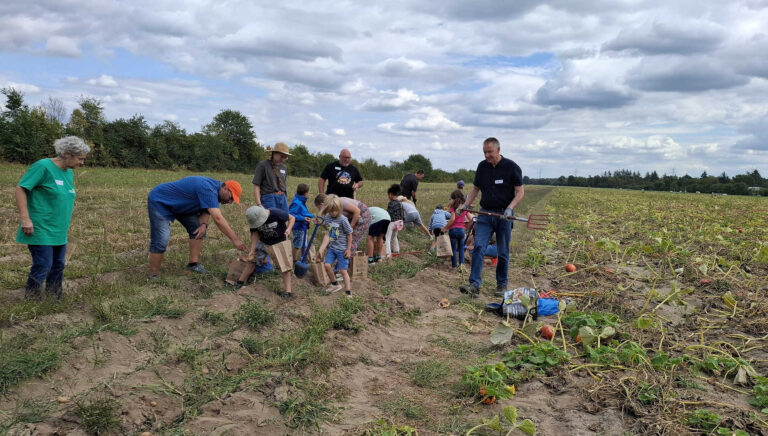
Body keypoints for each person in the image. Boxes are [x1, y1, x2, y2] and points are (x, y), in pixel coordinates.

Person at [15, 136, 90, 300]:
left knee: (58, 265)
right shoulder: (43, 167)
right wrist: (25, 219)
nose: (82, 163)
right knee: (43, 264)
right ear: (68, 154)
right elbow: (21, 188)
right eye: (80, 159)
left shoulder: (68, 173)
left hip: (59, 229)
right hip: (40, 226)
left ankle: (54, 298)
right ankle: (32, 299)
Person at [459, 137, 524, 298]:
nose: (487, 155)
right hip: (485, 214)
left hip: (504, 215)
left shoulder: (511, 167)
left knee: (502, 252)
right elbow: (475, 189)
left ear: (498, 150)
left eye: (490, 152)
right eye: (484, 152)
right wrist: (466, 204)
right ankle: (474, 285)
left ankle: (501, 285)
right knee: (479, 247)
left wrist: (510, 209)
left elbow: (520, 192)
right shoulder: (482, 167)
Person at [148, 176, 247, 277]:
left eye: (233, 200)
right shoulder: (208, 188)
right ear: (225, 188)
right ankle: (154, 276)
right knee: (161, 239)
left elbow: (207, 208)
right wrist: (235, 240)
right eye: (231, 198)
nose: (230, 202)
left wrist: (203, 224)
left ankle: (193, 265)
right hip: (161, 201)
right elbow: (218, 219)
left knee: (198, 229)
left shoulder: (216, 191)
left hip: (182, 206)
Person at [237, 205, 296, 297]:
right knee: (252, 262)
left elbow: (292, 218)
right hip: (264, 242)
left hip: (279, 242)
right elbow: (255, 234)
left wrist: (288, 229)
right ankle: (240, 282)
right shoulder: (254, 221)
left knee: (285, 267)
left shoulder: (276, 213)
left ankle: (288, 292)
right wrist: (252, 250)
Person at [316, 196, 353, 297]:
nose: (333, 213)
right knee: (327, 265)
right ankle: (335, 284)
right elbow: (328, 231)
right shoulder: (327, 217)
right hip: (332, 248)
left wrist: (348, 249)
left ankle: (348, 293)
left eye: (335, 211)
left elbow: (349, 234)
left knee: (343, 271)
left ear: (340, 209)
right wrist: (322, 249)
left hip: (342, 249)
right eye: (331, 211)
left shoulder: (343, 220)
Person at [253, 142, 291, 211]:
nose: (283, 159)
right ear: (274, 153)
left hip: (282, 198)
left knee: (284, 219)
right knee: (272, 221)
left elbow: (284, 184)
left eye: (285, 157)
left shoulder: (284, 167)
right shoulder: (263, 165)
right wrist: (259, 204)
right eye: (281, 156)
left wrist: (285, 198)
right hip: (268, 198)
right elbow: (256, 185)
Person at [442, 190, 471, 269]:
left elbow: (452, 219)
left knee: (453, 249)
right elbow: (471, 219)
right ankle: (462, 265)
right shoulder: (465, 207)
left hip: (454, 230)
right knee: (461, 248)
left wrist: (444, 228)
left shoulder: (453, 207)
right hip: (462, 230)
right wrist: (467, 227)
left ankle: (454, 266)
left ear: (454, 198)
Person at [288, 183, 314, 261]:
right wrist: (303, 218)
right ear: (305, 193)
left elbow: (302, 212)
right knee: (297, 245)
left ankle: (303, 259)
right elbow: (291, 215)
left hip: (303, 227)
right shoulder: (297, 202)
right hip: (298, 227)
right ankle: (294, 260)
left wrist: (310, 215)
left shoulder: (301, 201)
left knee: (304, 244)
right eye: (308, 192)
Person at [385, 184, 405, 257]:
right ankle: (396, 250)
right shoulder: (400, 203)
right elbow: (403, 213)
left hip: (392, 222)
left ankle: (387, 253)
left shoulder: (391, 203)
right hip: (399, 223)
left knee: (387, 237)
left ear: (390, 194)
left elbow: (388, 214)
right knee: (394, 237)